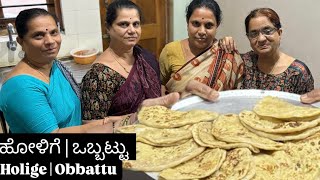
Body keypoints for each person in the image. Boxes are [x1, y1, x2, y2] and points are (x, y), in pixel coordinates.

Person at [81, 0, 161, 124]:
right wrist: (137, 117)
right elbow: (90, 125)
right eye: (124, 24)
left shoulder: (145, 57)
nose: (132, 30)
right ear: (108, 28)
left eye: (136, 24)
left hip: (156, 130)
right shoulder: (99, 75)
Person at [220, 8, 314, 94]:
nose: (261, 39)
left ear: (279, 33)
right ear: (248, 38)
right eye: (254, 34)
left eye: (267, 31)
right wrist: (223, 43)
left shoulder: (298, 72)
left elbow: (308, 109)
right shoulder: (244, 62)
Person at [159, 0, 244, 95]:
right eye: (196, 24)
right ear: (187, 23)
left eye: (209, 25)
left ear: (217, 25)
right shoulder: (170, 50)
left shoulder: (226, 52)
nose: (202, 31)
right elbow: (161, 85)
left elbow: (236, 95)